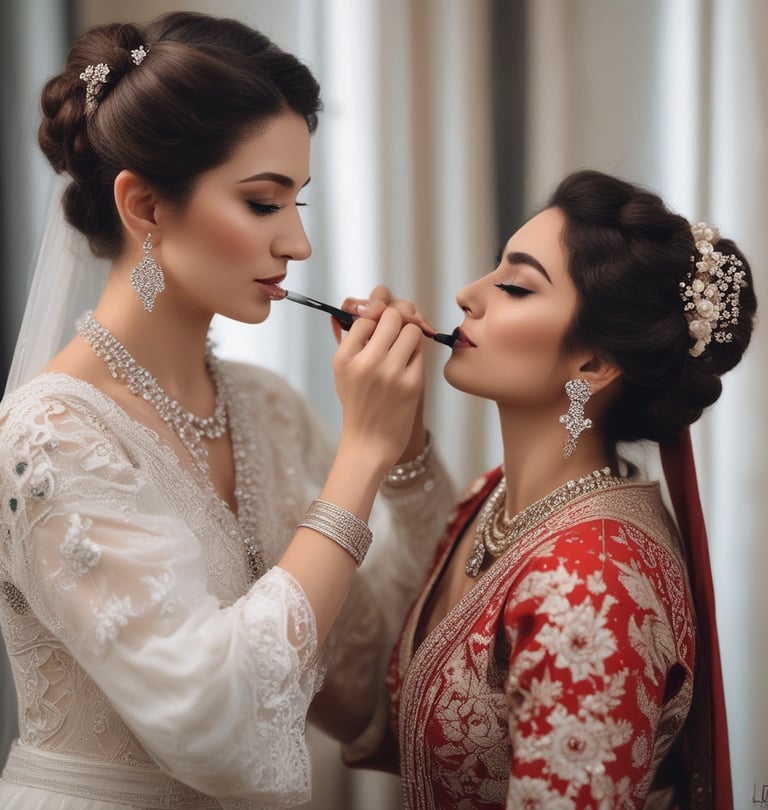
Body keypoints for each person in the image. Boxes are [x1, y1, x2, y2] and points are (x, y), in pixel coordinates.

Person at [0, 11, 455, 808]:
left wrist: (406, 451)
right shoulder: (48, 438)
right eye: (262, 203)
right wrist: (360, 459)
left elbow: (383, 677)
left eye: (298, 203)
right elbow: (217, 730)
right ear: (144, 207)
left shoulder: (270, 411)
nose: (298, 246)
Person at [348, 169, 756, 809]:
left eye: (514, 285)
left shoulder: (594, 582)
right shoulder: (496, 497)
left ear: (592, 365)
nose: (465, 295)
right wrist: (399, 441)